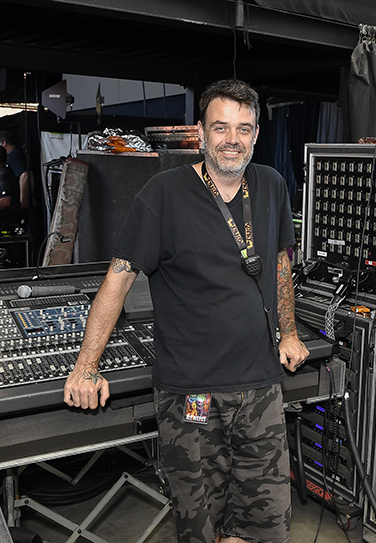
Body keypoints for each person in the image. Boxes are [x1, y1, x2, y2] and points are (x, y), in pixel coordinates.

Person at [63, 79, 309, 543]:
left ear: (256, 135)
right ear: (201, 133)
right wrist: (86, 367)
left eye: (243, 128)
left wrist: (289, 333)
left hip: (260, 389)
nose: (232, 139)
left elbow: (279, 263)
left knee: (265, 525)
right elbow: (118, 277)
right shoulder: (163, 194)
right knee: (202, 527)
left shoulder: (273, 186)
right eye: (221, 127)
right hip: (191, 397)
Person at [0, 131, 33, 210]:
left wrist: (23, 200)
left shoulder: (12, 156)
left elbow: (25, 175)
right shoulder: (16, 154)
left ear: (4, 143)